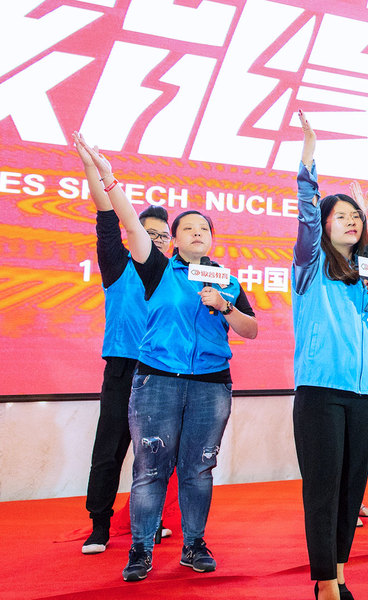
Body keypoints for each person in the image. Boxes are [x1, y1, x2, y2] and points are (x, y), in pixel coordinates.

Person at [73, 132, 259, 583]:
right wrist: (108, 178)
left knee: (199, 468)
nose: (197, 234)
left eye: (204, 229)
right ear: (173, 240)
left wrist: (226, 307)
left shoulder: (226, 279)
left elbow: (251, 330)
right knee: (150, 468)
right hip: (157, 381)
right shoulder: (156, 268)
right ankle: (140, 548)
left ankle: (194, 544)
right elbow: (127, 222)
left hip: (211, 384)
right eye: (188, 229)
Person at [291, 111, 368, 600]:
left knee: (353, 487)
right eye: (342, 216)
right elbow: (306, 214)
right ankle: (325, 581)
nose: (353, 222)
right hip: (322, 389)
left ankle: (340, 570)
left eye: (358, 216)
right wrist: (309, 154)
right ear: (324, 224)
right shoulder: (311, 265)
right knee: (324, 487)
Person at [75, 136, 170, 555]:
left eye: (164, 236)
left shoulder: (174, 274)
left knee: (156, 454)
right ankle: (100, 523)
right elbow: (105, 215)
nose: (158, 240)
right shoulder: (118, 265)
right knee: (109, 450)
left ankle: (150, 520)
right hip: (123, 368)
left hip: (162, 373)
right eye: (150, 234)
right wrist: (92, 169)